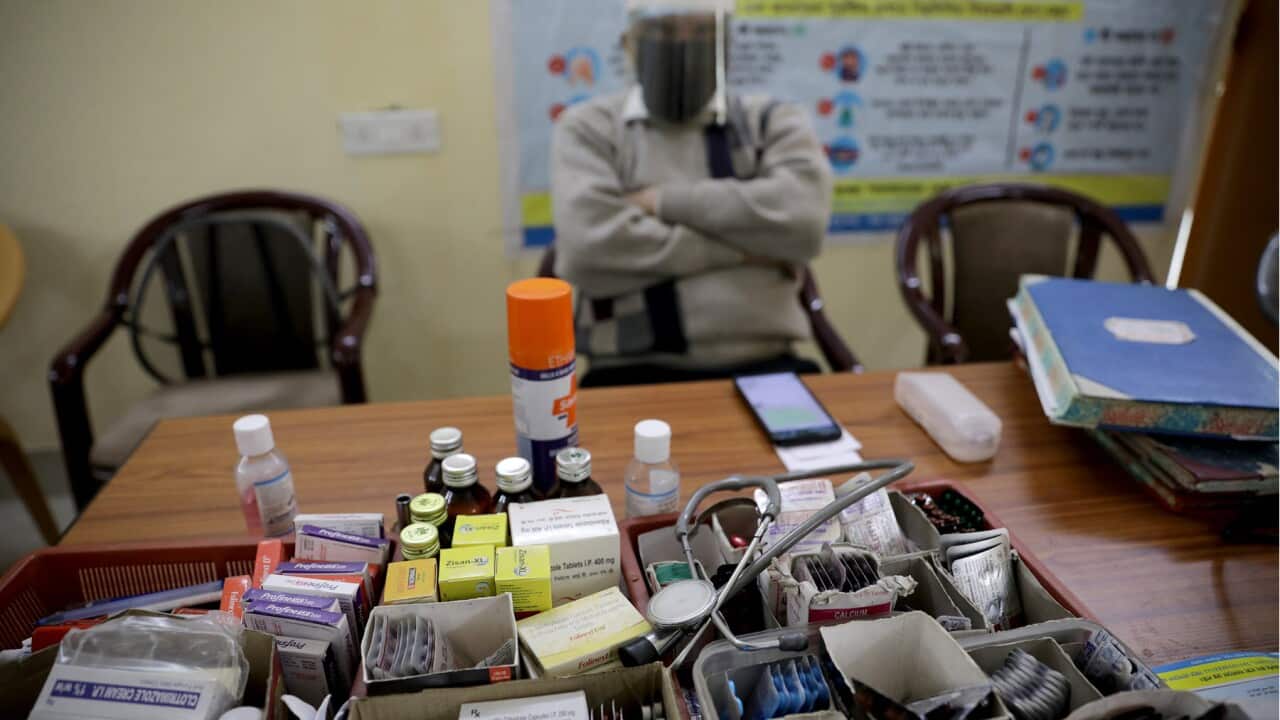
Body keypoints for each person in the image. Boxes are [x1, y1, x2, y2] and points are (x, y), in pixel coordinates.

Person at [550, 0, 833, 386]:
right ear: (629, 43)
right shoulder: (590, 128)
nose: (683, 45)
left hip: (767, 364)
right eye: (663, 31)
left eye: (703, 32)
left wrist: (659, 202)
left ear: (727, 42)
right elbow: (588, 248)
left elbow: (804, 223)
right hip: (627, 372)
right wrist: (747, 251)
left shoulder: (771, 122)